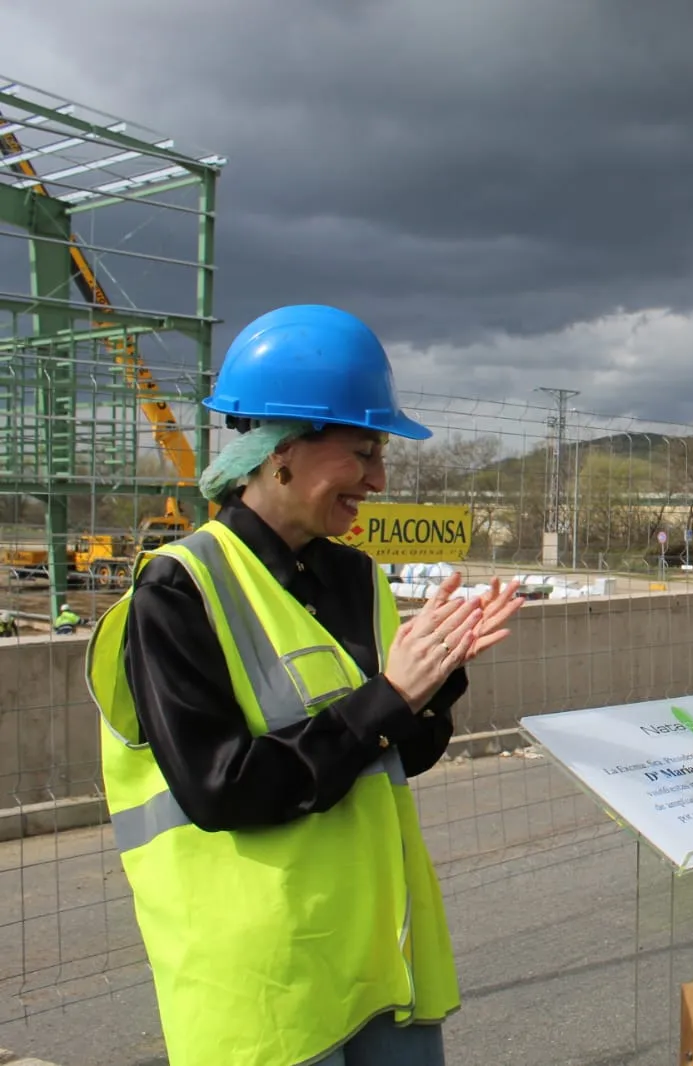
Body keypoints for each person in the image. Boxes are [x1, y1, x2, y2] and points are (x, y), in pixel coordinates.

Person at [86, 305, 521, 1066]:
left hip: (380, 957)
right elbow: (222, 788)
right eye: (362, 451)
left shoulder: (353, 576)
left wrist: (434, 680)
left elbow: (399, 755)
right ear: (282, 451)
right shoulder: (178, 590)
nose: (379, 479)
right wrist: (387, 696)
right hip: (266, 988)